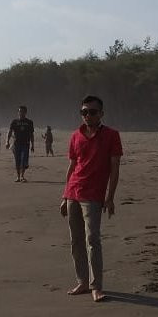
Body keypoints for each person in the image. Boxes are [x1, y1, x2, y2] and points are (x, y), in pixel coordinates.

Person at [60, 95, 122, 303]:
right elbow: (72, 166)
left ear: (101, 114)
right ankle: (83, 282)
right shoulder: (75, 136)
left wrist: (110, 197)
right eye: (84, 112)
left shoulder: (112, 135)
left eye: (92, 112)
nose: (87, 116)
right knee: (76, 240)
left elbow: (114, 169)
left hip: (93, 196)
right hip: (73, 193)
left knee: (92, 240)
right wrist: (64, 195)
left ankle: (97, 286)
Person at [6, 105, 34, 182]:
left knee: (24, 160)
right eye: (19, 111)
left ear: (26, 112)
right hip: (16, 144)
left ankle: (22, 176)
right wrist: (7, 141)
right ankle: (18, 177)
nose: (21, 113)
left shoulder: (29, 122)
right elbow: (10, 132)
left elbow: (31, 134)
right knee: (17, 160)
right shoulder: (14, 122)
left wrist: (32, 145)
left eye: (23, 111)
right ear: (18, 112)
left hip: (26, 144)